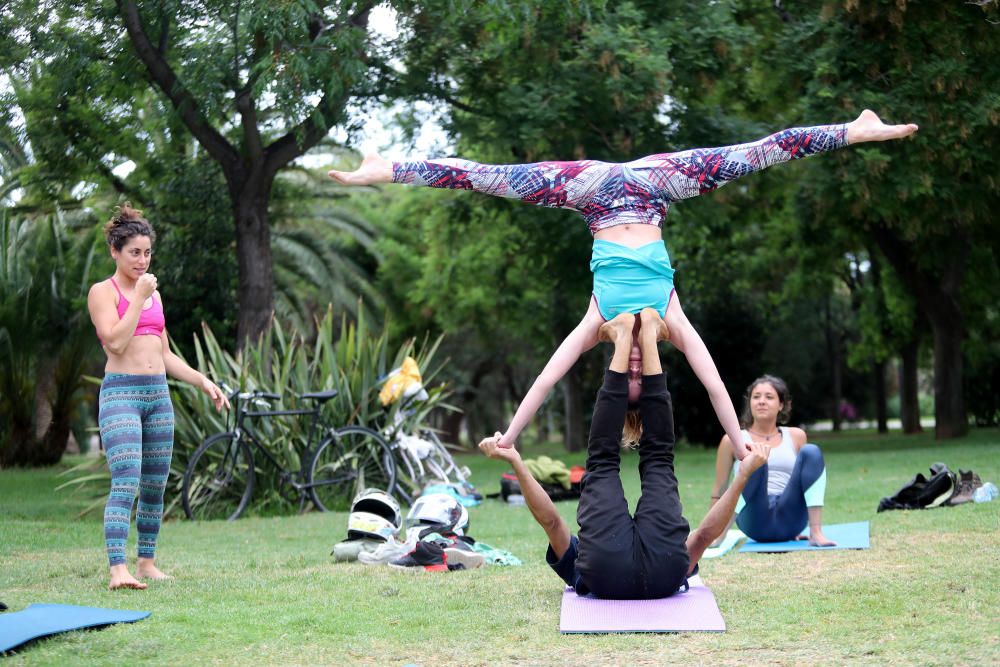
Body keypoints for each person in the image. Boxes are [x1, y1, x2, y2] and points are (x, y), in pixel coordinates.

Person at [331, 110, 918, 459]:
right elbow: (716, 388)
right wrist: (741, 444)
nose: (635, 370)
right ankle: (852, 130)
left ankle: (387, 168)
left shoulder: (596, 324)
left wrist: (508, 437)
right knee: (755, 155)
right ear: (649, 379)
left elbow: (543, 379)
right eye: (643, 379)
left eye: (627, 380)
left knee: (486, 178)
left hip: (590, 192)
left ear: (620, 381)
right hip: (655, 186)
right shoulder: (671, 320)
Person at [479, 308, 770, 599]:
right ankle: (636, 337)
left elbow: (706, 536)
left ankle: (647, 336)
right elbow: (551, 522)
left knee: (654, 460)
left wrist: (517, 462)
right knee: (609, 461)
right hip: (644, 571)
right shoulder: (585, 556)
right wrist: (742, 476)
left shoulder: (585, 559)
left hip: (644, 572)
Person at [88, 203, 230, 590]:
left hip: (157, 396)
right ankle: (118, 569)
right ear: (115, 252)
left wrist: (202, 380)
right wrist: (137, 297)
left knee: (154, 483)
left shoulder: (155, 296)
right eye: (134, 252)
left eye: (147, 252)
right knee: (126, 479)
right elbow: (115, 342)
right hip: (121, 395)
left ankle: (147, 562)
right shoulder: (103, 292)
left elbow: (165, 354)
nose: (142, 259)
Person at [711, 374, 834, 547]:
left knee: (812, 451)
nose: (762, 401)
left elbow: (806, 481)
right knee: (757, 460)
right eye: (756, 397)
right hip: (754, 518)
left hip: (790, 519)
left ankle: (816, 532)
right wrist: (710, 530)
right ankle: (720, 535)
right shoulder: (733, 439)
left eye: (769, 397)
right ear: (750, 403)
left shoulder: (796, 436)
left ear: (781, 405)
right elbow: (720, 489)